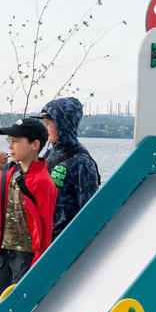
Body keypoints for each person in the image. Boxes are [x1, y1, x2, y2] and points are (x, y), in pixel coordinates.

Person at [0, 117, 56, 300]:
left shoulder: (43, 182)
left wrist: (37, 266)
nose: (10, 146)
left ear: (34, 145)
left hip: (27, 257)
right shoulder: (7, 174)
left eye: (16, 141)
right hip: (4, 252)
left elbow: (45, 230)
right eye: (9, 141)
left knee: (21, 307)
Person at [41, 96, 102, 237]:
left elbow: (89, 212)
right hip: (44, 240)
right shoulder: (50, 154)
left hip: (64, 242)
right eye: (45, 124)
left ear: (63, 124)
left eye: (49, 124)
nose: (46, 129)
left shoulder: (81, 162)